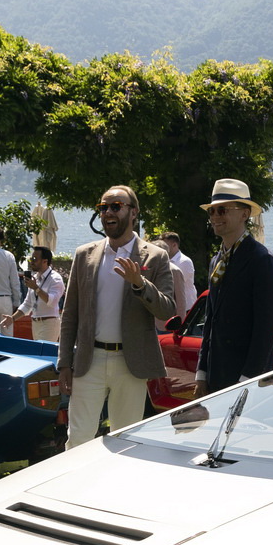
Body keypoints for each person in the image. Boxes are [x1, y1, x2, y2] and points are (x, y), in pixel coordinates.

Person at [58, 184, 177, 444]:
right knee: (78, 438)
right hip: (89, 360)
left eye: (116, 206)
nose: (108, 212)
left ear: (133, 212)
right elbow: (70, 314)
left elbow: (167, 309)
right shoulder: (84, 254)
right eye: (103, 207)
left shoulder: (156, 256)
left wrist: (140, 284)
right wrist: (64, 362)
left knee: (126, 440)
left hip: (130, 362)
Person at [197, 179, 273, 392]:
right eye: (212, 211)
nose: (215, 217)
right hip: (217, 375)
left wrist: (247, 379)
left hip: (248, 378)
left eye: (222, 210)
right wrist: (202, 372)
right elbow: (210, 320)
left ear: (245, 214)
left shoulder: (262, 260)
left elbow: (266, 327)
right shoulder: (217, 261)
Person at [10, 247, 65, 341]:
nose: (31, 262)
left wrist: (36, 288)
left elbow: (52, 301)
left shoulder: (55, 279)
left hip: (49, 323)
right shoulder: (35, 278)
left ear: (45, 261)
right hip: (36, 323)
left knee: (45, 350)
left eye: (35, 259)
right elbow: (27, 304)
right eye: (31, 259)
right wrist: (12, 319)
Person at [162, 231, 197, 315]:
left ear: (174, 245)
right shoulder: (166, 260)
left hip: (187, 308)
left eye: (165, 245)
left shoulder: (184, 261)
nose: (162, 248)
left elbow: (174, 284)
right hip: (176, 306)